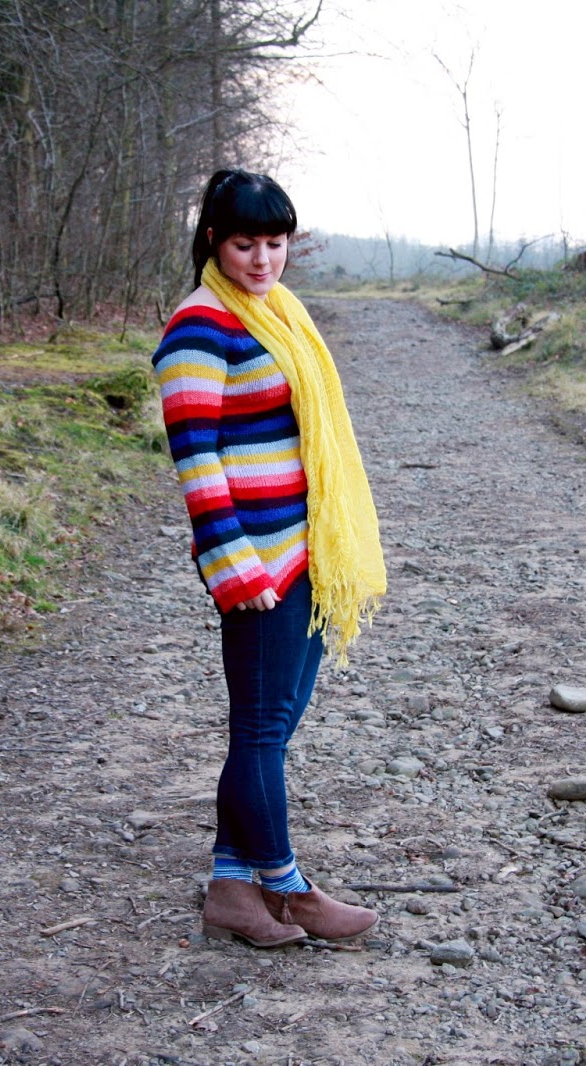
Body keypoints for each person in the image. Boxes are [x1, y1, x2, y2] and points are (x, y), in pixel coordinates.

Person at [151, 169, 388, 948]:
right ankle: (287, 888)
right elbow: (196, 457)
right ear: (212, 242)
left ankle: (231, 886)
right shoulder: (200, 327)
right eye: (246, 244)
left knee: (272, 729)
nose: (263, 260)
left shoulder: (277, 313)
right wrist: (233, 564)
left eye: (276, 243)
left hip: (306, 551)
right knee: (260, 729)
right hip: (256, 566)